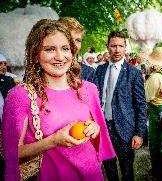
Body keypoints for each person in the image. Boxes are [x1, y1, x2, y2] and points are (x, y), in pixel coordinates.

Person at [1, 19, 115, 181]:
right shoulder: (20, 96)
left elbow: (97, 138)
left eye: (65, 48)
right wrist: (53, 141)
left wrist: (94, 128)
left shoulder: (89, 89)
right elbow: (11, 155)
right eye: (50, 49)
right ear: (35, 55)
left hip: (92, 175)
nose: (60, 57)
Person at [94, 31, 147, 181]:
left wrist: (139, 133)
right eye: (113, 46)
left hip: (125, 130)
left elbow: (141, 105)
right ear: (108, 47)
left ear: (125, 48)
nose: (117, 50)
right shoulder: (100, 70)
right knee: (109, 169)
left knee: (127, 171)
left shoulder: (134, 73)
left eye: (120, 46)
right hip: (103, 128)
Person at [144, 47, 162, 180]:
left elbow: (146, 97)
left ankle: (158, 171)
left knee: (155, 142)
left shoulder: (154, 77)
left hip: (155, 111)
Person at [58, 17, 96, 83]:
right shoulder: (44, 69)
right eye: (69, 38)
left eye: (78, 40)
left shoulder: (88, 73)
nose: (74, 45)